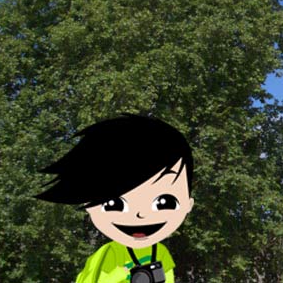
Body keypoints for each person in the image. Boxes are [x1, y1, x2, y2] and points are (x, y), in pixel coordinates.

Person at [35, 114, 194, 283]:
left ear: (187, 204)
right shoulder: (108, 254)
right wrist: (122, 275)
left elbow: (167, 278)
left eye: (164, 202)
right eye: (114, 204)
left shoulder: (160, 252)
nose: (140, 215)